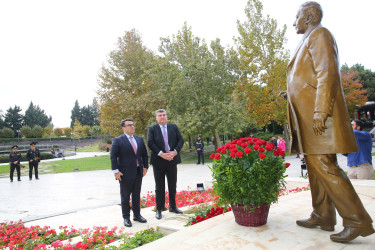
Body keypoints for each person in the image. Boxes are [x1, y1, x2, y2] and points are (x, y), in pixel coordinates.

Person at [280, 1, 374, 242]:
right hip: (309, 116)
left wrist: (321, 111)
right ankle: (322, 215)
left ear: (309, 16)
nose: (294, 23)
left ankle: (357, 220)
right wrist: (291, 93)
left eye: (297, 17)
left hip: (318, 117)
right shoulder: (309, 37)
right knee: (314, 166)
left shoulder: (320, 34)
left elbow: (327, 72)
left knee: (325, 165)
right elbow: (309, 78)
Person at [110, 118, 149, 227]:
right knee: (125, 196)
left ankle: (137, 215)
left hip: (138, 172)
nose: (132, 126)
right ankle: (126, 217)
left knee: (136, 195)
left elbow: (144, 154)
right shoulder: (118, 140)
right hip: (124, 174)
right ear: (123, 128)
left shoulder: (139, 139)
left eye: (133, 124)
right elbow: (113, 156)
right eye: (129, 125)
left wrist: (145, 167)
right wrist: (116, 171)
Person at [147, 109, 184, 219]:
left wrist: (175, 152)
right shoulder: (152, 129)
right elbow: (150, 142)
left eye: (164, 115)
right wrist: (161, 154)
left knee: (172, 184)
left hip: (172, 160)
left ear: (166, 116)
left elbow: (180, 140)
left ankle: (173, 207)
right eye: (160, 115)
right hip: (158, 161)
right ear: (156, 118)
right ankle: (159, 209)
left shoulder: (174, 127)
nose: (162, 117)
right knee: (159, 186)